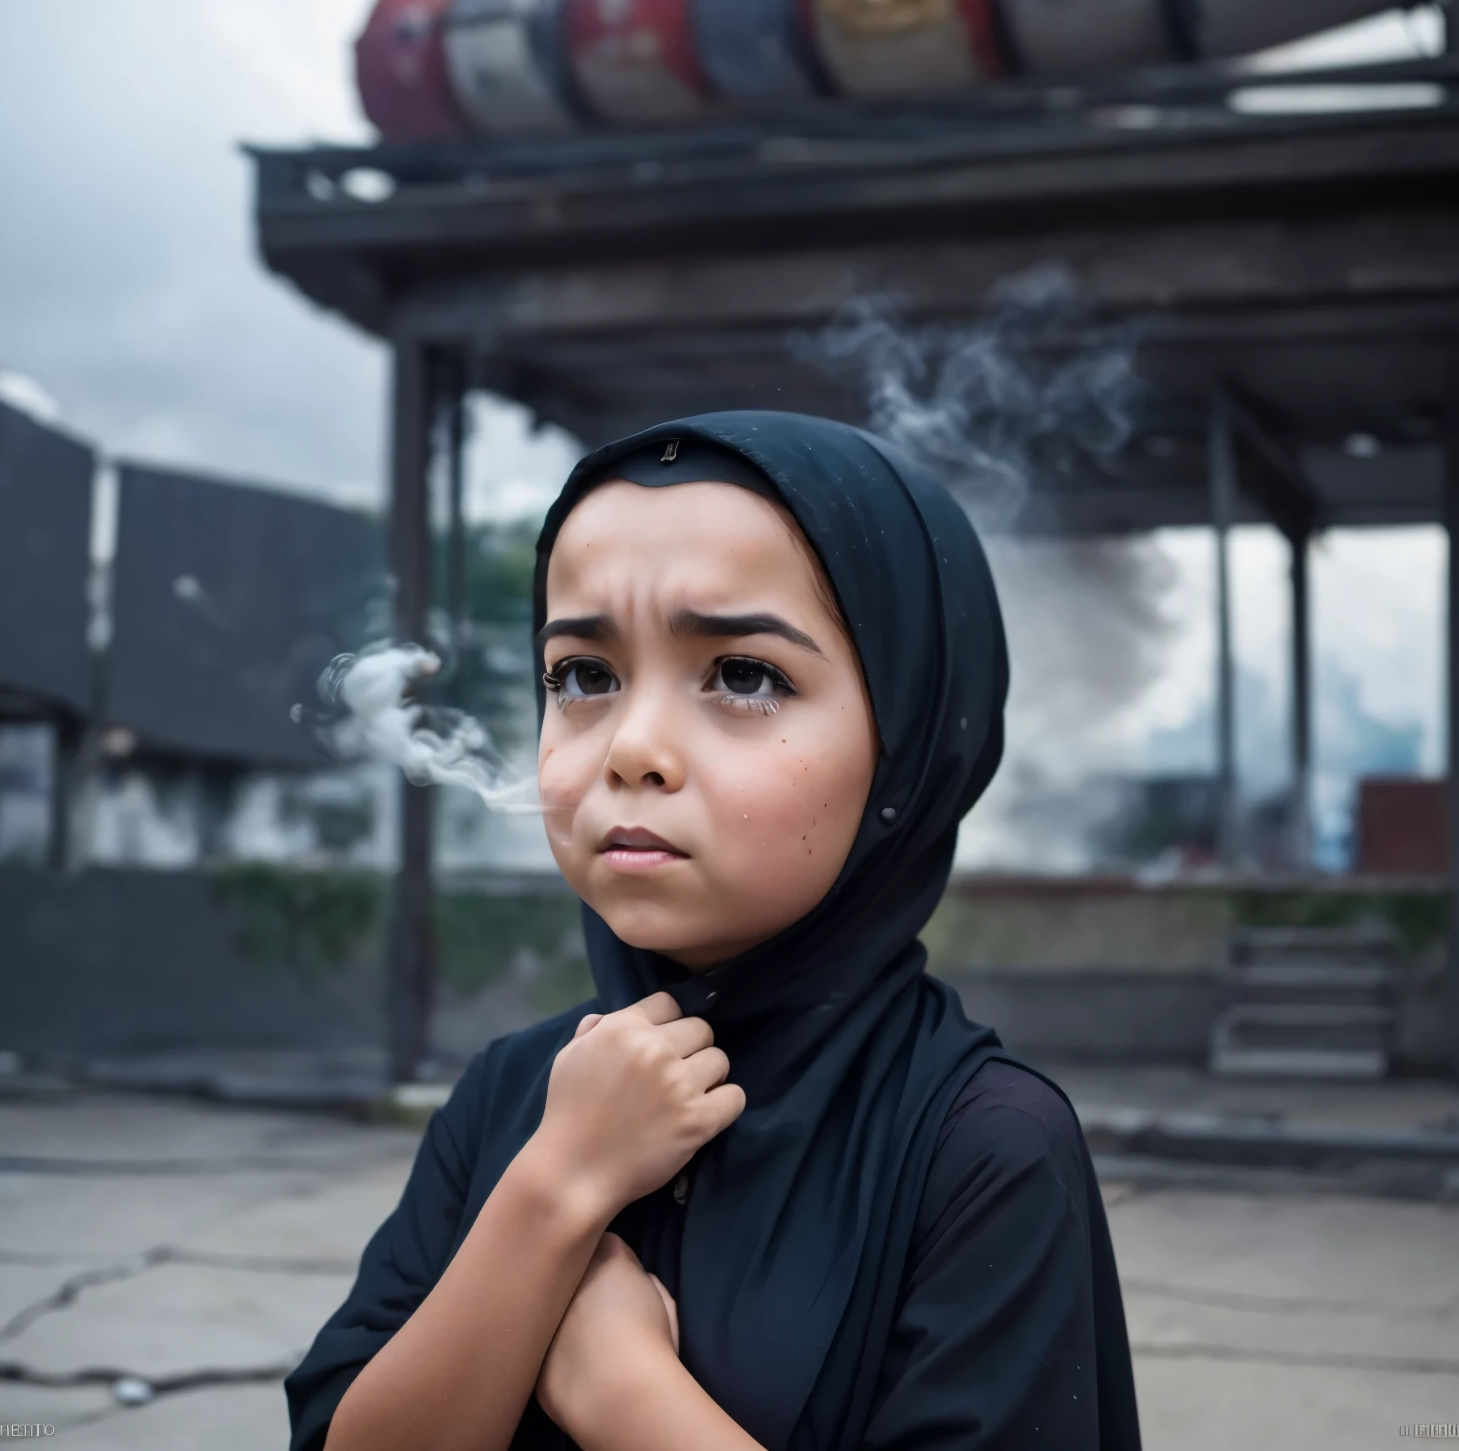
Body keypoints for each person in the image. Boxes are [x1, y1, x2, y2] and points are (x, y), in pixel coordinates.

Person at [286, 411, 1142, 1451]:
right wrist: (553, 1192)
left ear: (911, 743)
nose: (632, 748)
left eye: (743, 675)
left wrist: (624, 1394)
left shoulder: (983, 1154)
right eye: (583, 676)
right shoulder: (513, 1096)